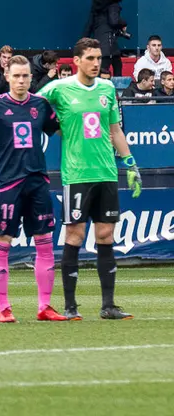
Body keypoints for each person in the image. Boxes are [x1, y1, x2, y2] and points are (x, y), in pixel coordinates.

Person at [37, 38, 139, 320]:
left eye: (99, 58)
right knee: (75, 235)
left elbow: (115, 130)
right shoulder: (59, 88)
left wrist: (130, 162)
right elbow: (32, 105)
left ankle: (108, 305)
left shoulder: (107, 89)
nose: (97, 63)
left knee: (106, 235)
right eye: (91, 58)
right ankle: (70, 307)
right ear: (77, 61)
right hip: (77, 174)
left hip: (105, 172)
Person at [0, 56, 67, 322]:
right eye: (16, 76)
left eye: (25, 76)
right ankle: (4, 308)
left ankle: (45, 307)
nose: (21, 81)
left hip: (38, 181)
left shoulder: (40, 104)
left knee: (45, 244)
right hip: (8, 183)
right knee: (2, 244)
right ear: (6, 75)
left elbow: (59, 129)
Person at [83, 0, 126, 76]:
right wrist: (123, 23)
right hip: (109, 45)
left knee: (99, 71)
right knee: (117, 69)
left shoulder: (96, 3)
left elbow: (89, 24)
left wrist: (83, 42)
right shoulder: (113, 3)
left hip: (99, 43)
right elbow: (114, 21)